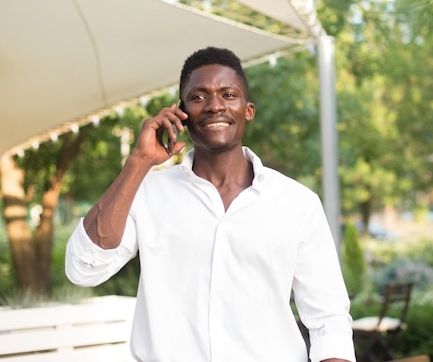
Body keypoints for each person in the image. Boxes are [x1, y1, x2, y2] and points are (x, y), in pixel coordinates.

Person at [65, 46, 356, 362]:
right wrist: (140, 161)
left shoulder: (297, 203)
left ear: (248, 109)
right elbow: (83, 268)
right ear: (181, 112)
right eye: (199, 97)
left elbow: (330, 321)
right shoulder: (147, 194)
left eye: (229, 95)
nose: (215, 105)